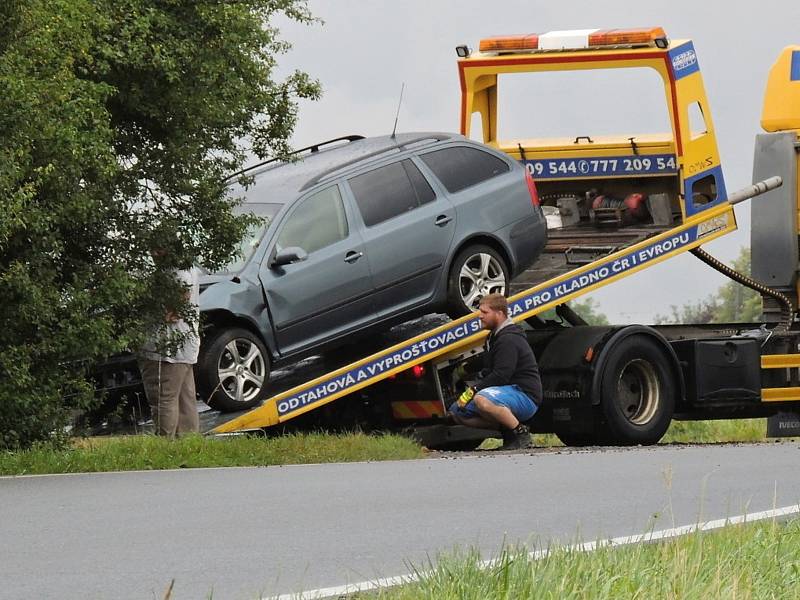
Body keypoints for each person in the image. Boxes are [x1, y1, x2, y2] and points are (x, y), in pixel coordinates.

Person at [449, 293, 542, 450]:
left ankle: (521, 434)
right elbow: (489, 371)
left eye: (485, 312)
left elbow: (501, 375)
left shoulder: (509, 339)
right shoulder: (493, 337)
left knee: (482, 400)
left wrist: (473, 390)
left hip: (525, 395)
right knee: (456, 412)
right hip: (504, 393)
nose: (480, 316)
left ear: (499, 313)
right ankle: (507, 430)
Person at [138, 258, 201, 438]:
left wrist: (169, 310)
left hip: (166, 349)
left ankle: (165, 446)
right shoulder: (188, 266)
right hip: (184, 343)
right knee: (185, 399)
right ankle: (189, 444)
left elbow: (181, 293)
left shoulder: (174, 269)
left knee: (163, 399)